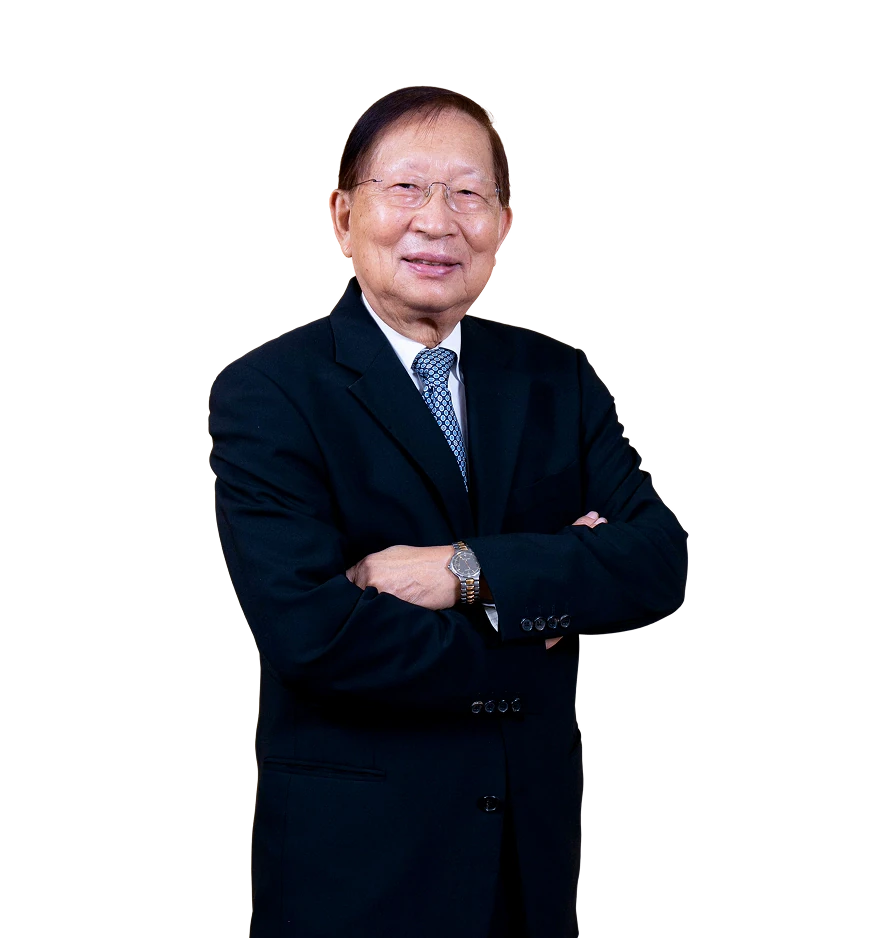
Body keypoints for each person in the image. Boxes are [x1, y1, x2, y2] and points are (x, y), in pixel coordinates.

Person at [208, 85, 687, 938]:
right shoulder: (269, 393)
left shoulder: (556, 379)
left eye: (468, 193)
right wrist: (543, 610)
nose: (437, 221)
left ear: (503, 224)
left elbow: (655, 562)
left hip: (528, 868)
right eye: (405, 188)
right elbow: (312, 632)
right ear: (342, 213)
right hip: (358, 872)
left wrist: (467, 572)